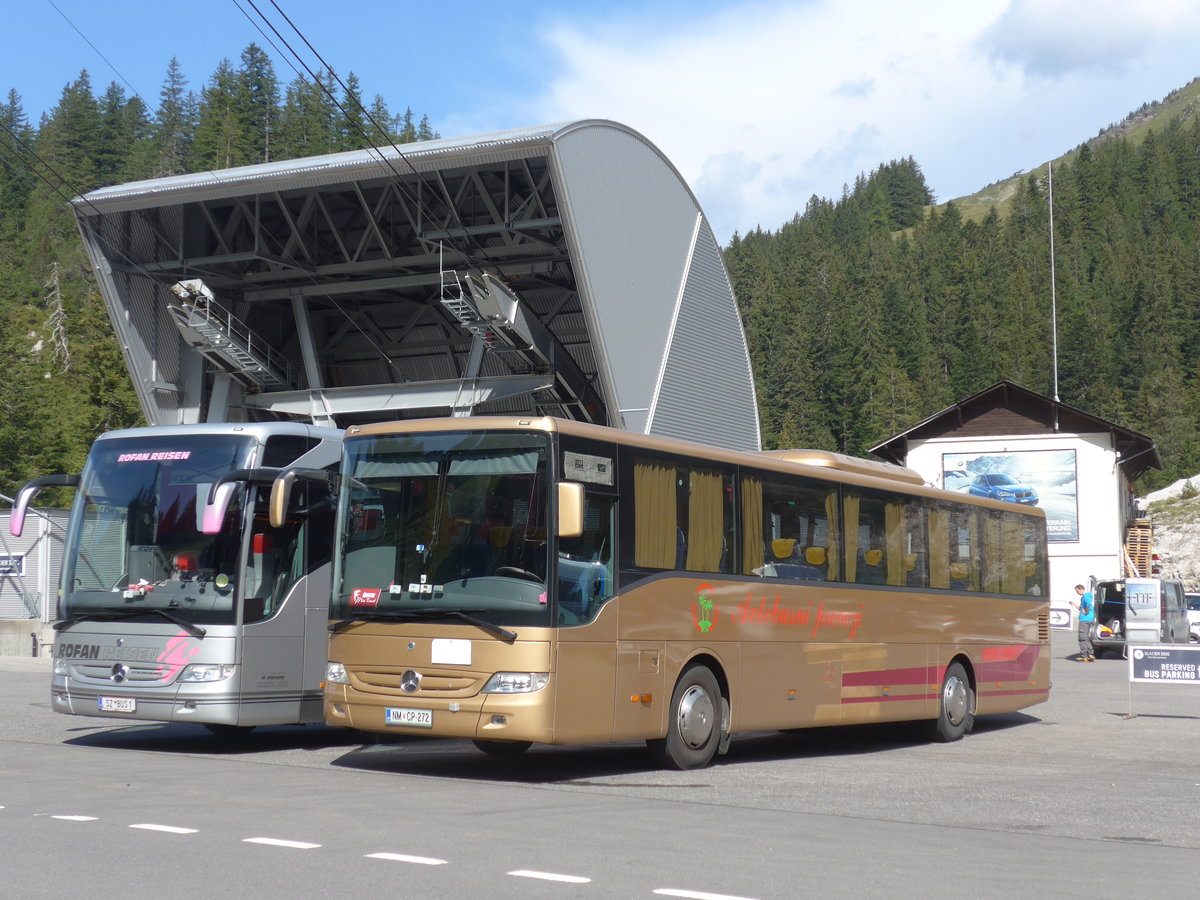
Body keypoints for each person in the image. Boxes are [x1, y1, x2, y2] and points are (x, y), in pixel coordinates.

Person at [1069, 583, 1095, 661]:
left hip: (1085, 619)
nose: (1077, 593)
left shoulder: (1086, 596)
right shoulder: (1086, 597)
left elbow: (1088, 605)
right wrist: (1074, 604)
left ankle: (1084, 655)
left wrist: (1085, 612)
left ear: (1081, 589)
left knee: (1082, 637)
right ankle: (1091, 654)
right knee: (1086, 637)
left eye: (1077, 591)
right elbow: (1081, 608)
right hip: (1087, 619)